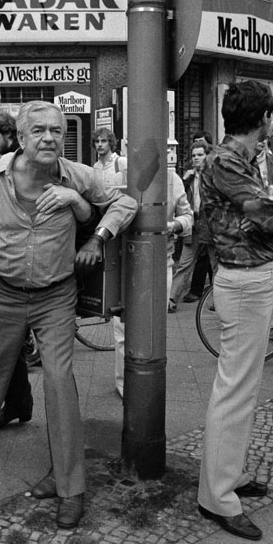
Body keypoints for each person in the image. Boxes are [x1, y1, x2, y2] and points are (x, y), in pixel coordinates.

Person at [0, 101, 137, 531]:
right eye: (40, 131)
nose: (49, 138)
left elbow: (126, 202)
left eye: (56, 130)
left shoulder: (77, 175)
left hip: (55, 296)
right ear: (22, 138)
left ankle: (71, 486)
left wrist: (97, 236)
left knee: (59, 381)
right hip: (6, 292)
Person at [196, 81, 273, 541]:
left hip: (252, 277)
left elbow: (264, 220)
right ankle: (217, 497)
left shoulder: (243, 161)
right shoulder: (227, 161)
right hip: (244, 281)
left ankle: (229, 476)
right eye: (272, 116)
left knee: (243, 386)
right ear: (264, 117)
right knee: (234, 388)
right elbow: (272, 219)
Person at [112, 167, 190, 395]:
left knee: (155, 325)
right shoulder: (121, 177)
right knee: (122, 328)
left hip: (160, 261)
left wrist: (172, 225)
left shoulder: (172, 179)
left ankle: (147, 382)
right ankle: (124, 384)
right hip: (125, 261)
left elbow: (187, 217)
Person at [170, 140, 216, 308]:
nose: (196, 158)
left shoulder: (213, 174)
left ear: (207, 156)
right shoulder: (189, 176)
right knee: (185, 262)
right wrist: (185, 179)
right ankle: (171, 299)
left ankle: (220, 302)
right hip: (194, 223)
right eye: (194, 155)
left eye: (200, 155)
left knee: (215, 264)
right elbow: (181, 198)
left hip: (210, 225)